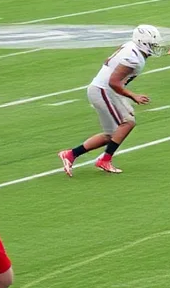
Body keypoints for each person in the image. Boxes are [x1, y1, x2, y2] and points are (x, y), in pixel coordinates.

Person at [58, 25, 162, 176]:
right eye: (152, 44)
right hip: (103, 91)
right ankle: (102, 159)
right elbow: (114, 82)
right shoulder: (134, 58)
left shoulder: (131, 46)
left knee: (123, 126)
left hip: (106, 90)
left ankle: (72, 155)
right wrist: (133, 95)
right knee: (118, 130)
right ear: (142, 42)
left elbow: (109, 61)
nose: (154, 47)